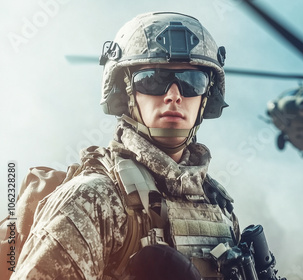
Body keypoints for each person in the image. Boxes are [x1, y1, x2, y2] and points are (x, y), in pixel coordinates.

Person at [13, 11, 239, 280]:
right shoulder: (93, 200)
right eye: (153, 80)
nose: (174, 96)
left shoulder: (219, 207)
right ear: (128, 92)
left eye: (192, 82)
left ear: (205, 97)